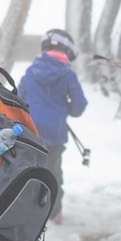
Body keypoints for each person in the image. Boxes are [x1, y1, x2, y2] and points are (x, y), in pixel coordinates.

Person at [18, 29, 88, 224]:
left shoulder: (31, 72)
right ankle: (54, 211)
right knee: (53, 172)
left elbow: (19, 100)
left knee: (31, 170)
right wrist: (65, 107)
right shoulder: (67, 74)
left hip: (31, 133)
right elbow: (79, 105)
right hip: (54, 134)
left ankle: (29, 211)